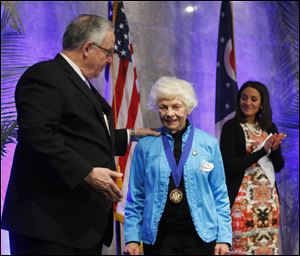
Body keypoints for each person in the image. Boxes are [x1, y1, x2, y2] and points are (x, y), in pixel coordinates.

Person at [1, 14, 159, 255]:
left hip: (75, 228)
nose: (109, 60)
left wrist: (131, 134)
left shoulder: (78, 81)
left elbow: (81, 135)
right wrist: (86, 172)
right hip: (48, 227)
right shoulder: (45, 76)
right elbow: (39, 136)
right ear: (87, 48)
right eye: (107, 52)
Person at [123, 76, 232, 255]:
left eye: (176, 106)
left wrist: (224, 237)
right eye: (163, 107)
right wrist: (132, 237)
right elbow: (136, 195)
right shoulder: (145, 146)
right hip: (159, 238)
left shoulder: (209, 144)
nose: (169, 113)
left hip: (201, 237)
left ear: (188, 109)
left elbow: (219, 193)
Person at [220, 81, 286, 255]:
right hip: (241, 203)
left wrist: (275, 150)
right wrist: (261, 152)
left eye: (253, 99)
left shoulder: (270, 128)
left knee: (266, 248)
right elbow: (228, 166)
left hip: (269, 201)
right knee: (240, 248)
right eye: (244, 98)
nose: (248, 103)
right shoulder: (231, 127)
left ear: (261, 103)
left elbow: (278, 166)